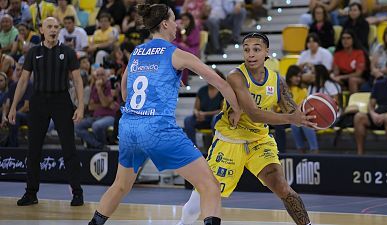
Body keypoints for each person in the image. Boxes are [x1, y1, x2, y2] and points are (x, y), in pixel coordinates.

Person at [87, 4, 240, 225]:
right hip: (157, 128)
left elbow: (123, 89)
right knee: (210, 185)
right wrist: (237, 108)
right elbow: (219, 82)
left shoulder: (137, 52)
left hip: (129, 126)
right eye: (174, 19)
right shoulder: (176, 54)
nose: (177, 24)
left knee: (120, 186)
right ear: (165, 24)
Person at [176, 33, 315, 225]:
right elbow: (253, 113)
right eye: (246, 49)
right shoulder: (236, 76)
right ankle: (183, 222)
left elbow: (291, 109)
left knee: (281, 186)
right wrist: (291, 118)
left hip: (259, 140)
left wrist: (308, 115)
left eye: (256, 49)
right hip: (229, 140)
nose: (250, 54)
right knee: (201, 199)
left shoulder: (277, 81)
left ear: (267, 52)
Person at [8, 17, 85, 206]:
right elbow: (23, 81)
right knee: (33, 150)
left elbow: (77, 80)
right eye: (49, 26)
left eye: (56, 27)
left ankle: (77, 193)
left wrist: (81, 105)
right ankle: (31, 193)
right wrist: (13, 107)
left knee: (69, 149)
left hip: (61, 101)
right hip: (39, 101)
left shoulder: (67, 51)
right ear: (41, 29)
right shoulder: (33, 52)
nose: (53, 29)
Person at [354, 57, 387, 156]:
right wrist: (373, 114)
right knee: (359, 117)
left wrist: (385, 115)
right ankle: (360, 154)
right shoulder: (379, 84)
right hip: (379, 115)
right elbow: (371, 103)